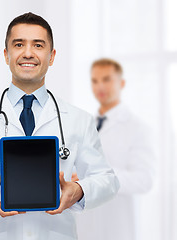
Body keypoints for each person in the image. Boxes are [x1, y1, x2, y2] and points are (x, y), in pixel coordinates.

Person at [0, 13, 119, 240]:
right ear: (6, 55)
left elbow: (107, 179)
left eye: (38, 45)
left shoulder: (78, 119)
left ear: (51, 56)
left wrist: (79, 191)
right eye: (19, 44)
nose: (28, 53)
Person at [75, 58, 154, 240]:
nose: (100, 86)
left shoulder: (138, 128)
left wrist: (100, 177)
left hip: (118, 227)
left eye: (106, 79)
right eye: (95, 81)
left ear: (122, 83)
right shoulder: (86, 125)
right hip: (86, 226)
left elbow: (144, 180)